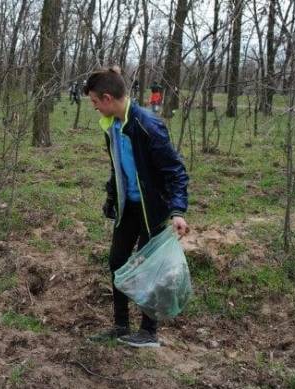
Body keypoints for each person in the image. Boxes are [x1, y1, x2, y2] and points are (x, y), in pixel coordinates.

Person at [83, 67, 189, 347]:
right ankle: (120, 325)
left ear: (107, 98)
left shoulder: (147, 125)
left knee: (149, 268)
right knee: (117, 262)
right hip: (127, 207)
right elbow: (119, 168)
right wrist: (111, 197)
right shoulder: (113, 126)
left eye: (94, 102)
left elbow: (176, 171)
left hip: (152, 209)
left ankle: (149, 332)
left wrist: (177, 211)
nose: (94, 107)